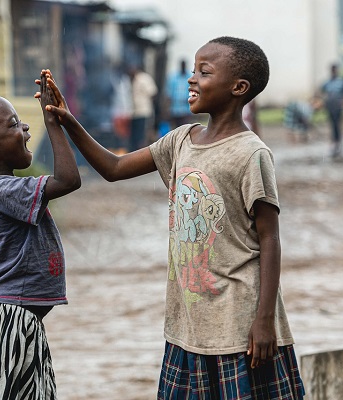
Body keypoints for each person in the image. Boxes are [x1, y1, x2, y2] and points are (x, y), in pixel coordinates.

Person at [43, 37, 305, 399]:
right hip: (188, 323)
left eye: (204, 72)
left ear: (238, 88)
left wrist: (263, 322)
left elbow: (270, 238)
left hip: (238, 323)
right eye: (194, 69)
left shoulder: (251, 153)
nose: (191, 79)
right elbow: (114, 167)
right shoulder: (181, 139)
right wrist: (69, 121)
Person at [0, 71, 81, 399]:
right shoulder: (5, 190)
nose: (25, 128)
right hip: (12, 321)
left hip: (10, 319)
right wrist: (53, 123)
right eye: (13, 124)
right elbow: (68, 180)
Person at [127, 64, 158, 151]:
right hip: (133, 113)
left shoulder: (144, 78)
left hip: (144, 112)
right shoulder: (130, 80)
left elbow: (153, 93)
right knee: (134, 137)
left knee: (142, 137)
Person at [321, 63, 343, 157]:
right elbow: (322, 91)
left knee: (337, 125)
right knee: (332, 125)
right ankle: (334, 143)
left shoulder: (341, 82)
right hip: (330, 107)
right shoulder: (327, 82)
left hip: (338, 107)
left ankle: (338, 143)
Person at [166, 59, 194, 127]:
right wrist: (167, 108)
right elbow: (169, 93)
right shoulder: (173, 78)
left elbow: (193, 91)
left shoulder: (190, 77)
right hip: (175, 109)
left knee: (185, 128)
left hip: (186, 109)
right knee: (176, 129)